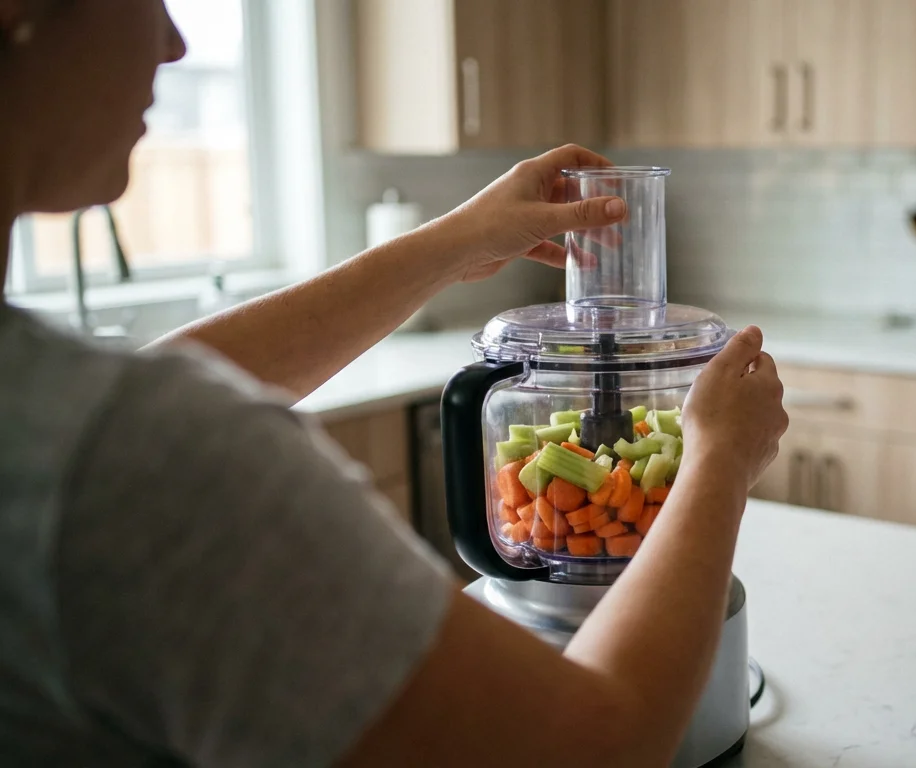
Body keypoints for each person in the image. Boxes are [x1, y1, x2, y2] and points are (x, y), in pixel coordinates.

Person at [0, 2, 788, 766]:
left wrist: (451, 246)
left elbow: (165, 376)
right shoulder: (139, 459)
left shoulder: (56, 409)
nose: (173, 44)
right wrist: (717, 459)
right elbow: (597, 750)